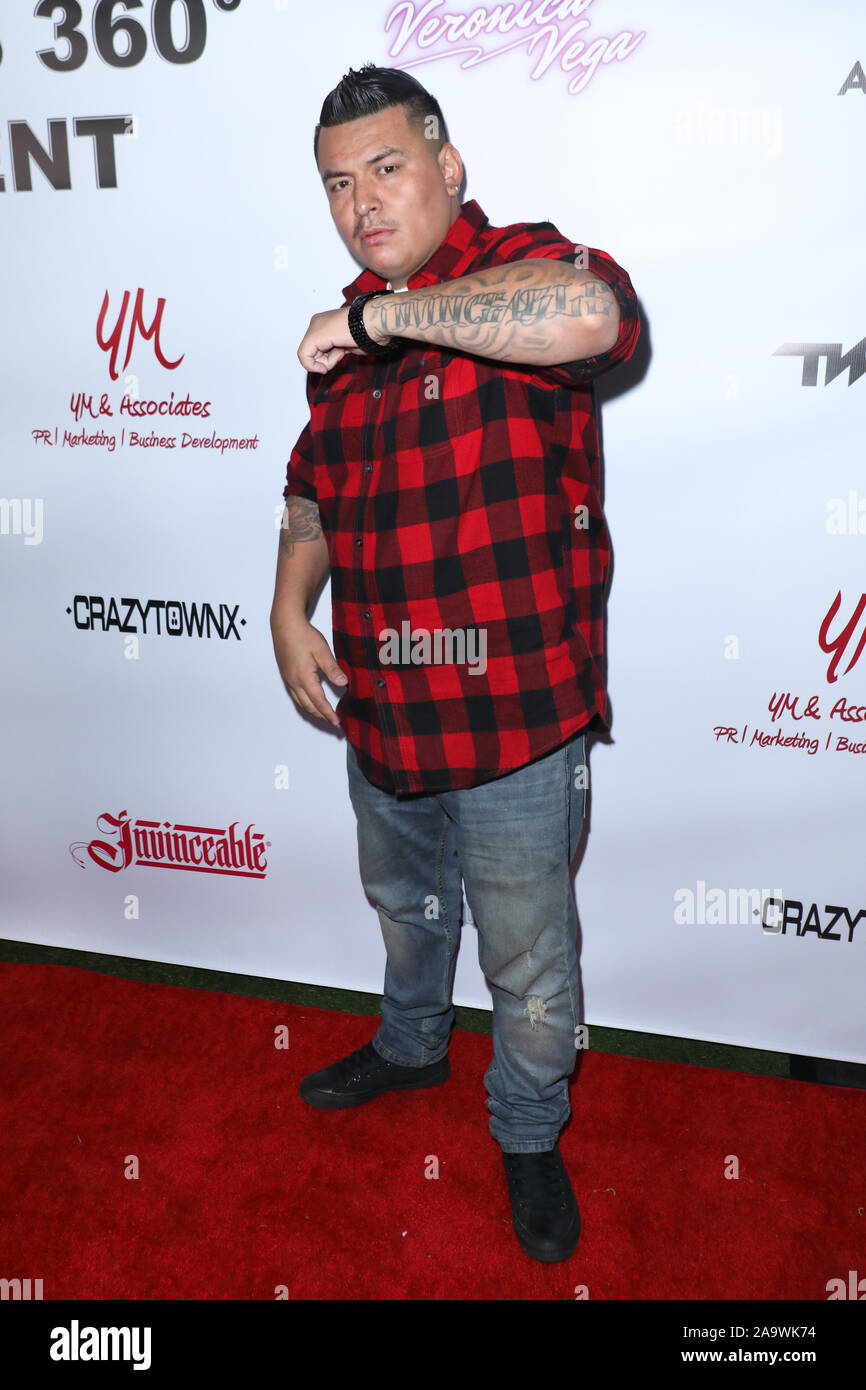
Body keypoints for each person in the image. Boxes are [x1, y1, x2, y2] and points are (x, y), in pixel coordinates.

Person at [270, 62, 640, 1264]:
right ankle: (412, 1042)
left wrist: (380, 317)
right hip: (381, 707)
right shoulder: (346, 334)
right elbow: (309, 486)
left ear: (448, 165)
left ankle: (527, 1133)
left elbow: (594, 319)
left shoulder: (514, 271)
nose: (361, 201)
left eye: (386, 167)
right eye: (337, 183)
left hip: (517, 719)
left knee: (530, 957)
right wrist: (287, 602)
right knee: (402, 907)